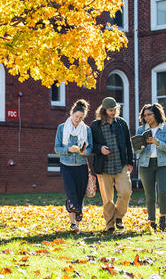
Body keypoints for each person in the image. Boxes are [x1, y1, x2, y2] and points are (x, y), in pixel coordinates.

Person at [90, 97, 134, 233]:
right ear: (104, 110)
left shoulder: (121, 123)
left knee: (126, 192)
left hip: (120, 164)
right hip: (103, 167)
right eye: (110, 110)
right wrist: (100, 149)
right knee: (107, 199)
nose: (113, 112)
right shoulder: (95, 126)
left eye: (115, 109)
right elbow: (91, 146)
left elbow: (128, 143)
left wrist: (130, 162)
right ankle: (109, 225)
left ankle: (119, 216)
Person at [54, 99, 93, 232]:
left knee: (80, 194)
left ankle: (77, 223)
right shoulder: (61, 128)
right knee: (71, 194)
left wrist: (83, 151)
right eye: (76, 116)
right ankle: (73, 221)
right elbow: (56, 148)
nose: (77, 119)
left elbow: (90, 149)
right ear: (72, 114)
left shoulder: (86, 130)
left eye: (81, 118)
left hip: (81, 165)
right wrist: (68, 149)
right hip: (66, 165)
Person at [136, 103, 166, 231]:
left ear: (156, 114)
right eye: (145, 115)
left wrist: (157, 142)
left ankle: (163, 219)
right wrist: (142, 145)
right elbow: (136, 151)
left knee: (163, 191)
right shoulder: (141, 130)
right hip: (146, 165)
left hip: (162, 164)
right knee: (150, 195)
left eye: (149, 114)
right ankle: (152, 222)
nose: (147, 117)